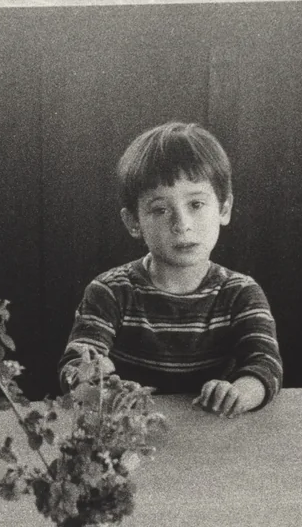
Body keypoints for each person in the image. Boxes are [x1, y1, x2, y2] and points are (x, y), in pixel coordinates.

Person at [59, 121, 282, 416]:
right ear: (133, 222)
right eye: (160, 209)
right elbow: (75, 365)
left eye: (196, 204)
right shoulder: (110, 291)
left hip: (214, 435)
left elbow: (265, 364)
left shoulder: (241, 293)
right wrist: (92, 376)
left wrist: (240, 392)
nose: (182, 224)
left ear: (224, 209)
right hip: (130, 435)